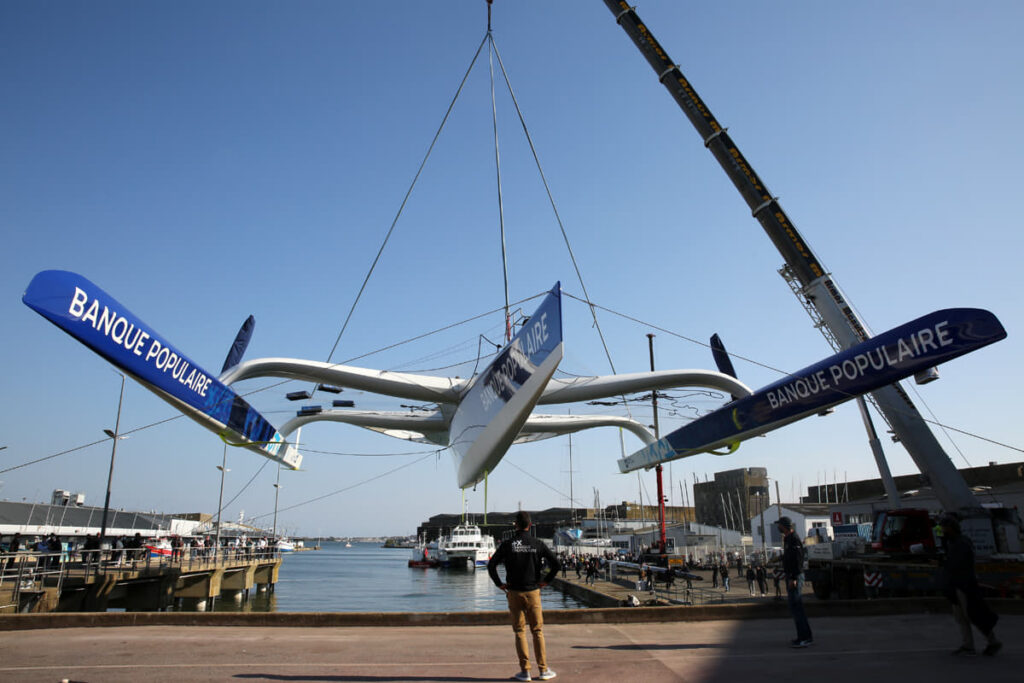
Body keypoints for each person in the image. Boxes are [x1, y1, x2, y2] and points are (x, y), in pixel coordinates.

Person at [487, 511, 560, 681]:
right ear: (530, 525)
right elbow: (556, 563)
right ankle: (543, 670)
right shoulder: (537, 543)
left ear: (516, 525)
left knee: (519, 631)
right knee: (537, 631)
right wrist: (545, 581)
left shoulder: (507, 544)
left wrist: (500, 584)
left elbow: (491, 565)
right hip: (533, 591)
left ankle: (525, 671)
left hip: (514, 591)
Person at [939, 515, 1001, 656]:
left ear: (951, 528)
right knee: (962, 617)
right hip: (957, 585)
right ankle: (968, 645)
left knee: (973, 615)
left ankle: (992, 641)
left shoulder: (960, 544)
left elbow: (957, 564)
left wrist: (944, 563)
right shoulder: (955, 542)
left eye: (944, 528)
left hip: (964, 585)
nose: (942, 530)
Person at [778, 516, 813, 647]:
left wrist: (793, 577)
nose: (778, 528)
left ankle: (805, 637)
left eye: (780, 525)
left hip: (795, 576)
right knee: (795, 608)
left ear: (785, 526)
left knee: (797, 607)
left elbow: (798, 559)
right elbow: (790, 557)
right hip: (792, 575)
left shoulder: (794, 539)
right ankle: (802, 636)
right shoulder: (788, 539)